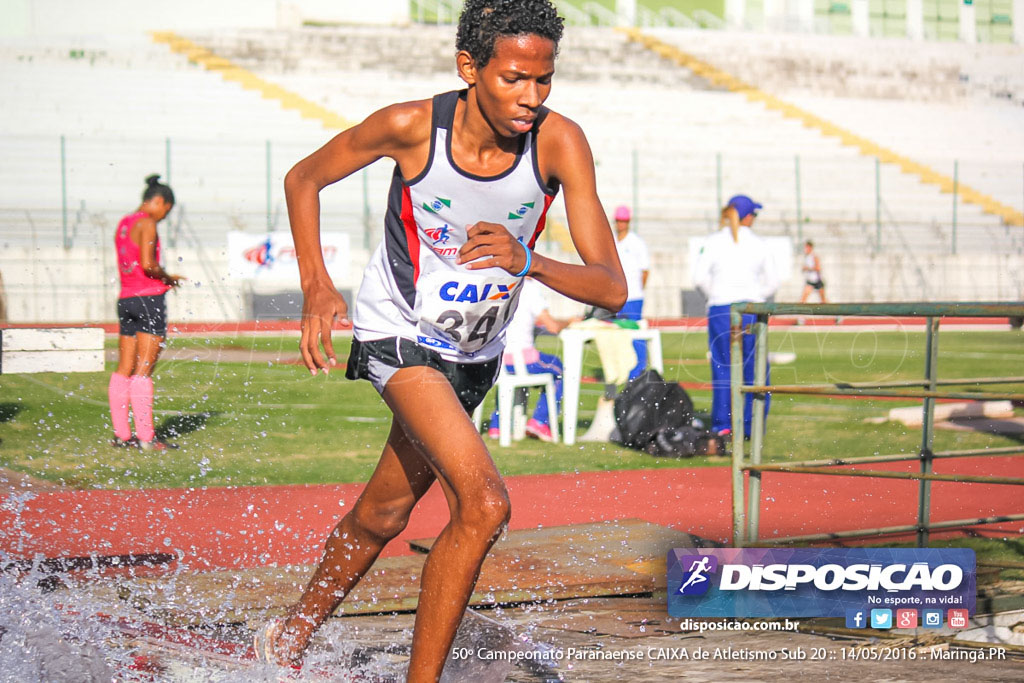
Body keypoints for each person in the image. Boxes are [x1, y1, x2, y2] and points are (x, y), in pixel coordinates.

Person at [258, 1, 627, 678]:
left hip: (472, 356)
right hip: (397, 331)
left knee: (386, 510)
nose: (531, 97)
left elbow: (610, 286)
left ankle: (288, 635)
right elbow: (302, 177)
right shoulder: (410, 128)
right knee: (484, 502)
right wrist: (316, 284)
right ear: (469, 67)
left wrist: (530, 260)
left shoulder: (558, 142)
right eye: (515, 78)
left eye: (544, 80)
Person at [108, 175, 185, 451]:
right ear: (160, 202)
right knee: (143, 370)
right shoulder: (148, 223)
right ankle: (147, 438)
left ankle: (122, 435)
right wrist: (168, 279)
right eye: (167, 210)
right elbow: (149, 265)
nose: (165, 216)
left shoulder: (124, 223)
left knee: (123, 368)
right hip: (148, 299)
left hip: (126, 298)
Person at [692, 194, 779, 439]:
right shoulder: (759, 244)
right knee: (755, 368)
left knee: (722, 367)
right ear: (748, 216)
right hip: (751, 310)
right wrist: (754, 296)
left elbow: (699, 278)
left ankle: (723, 426)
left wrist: (717, 295)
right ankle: (752, 426)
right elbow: (772, 282)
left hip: (721, 310)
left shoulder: (712, 242)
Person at [486, 277, 577, 442]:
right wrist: (571, 320)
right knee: (558, 368)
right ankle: (540, 422)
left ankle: (497, 425)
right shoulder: (528, 288)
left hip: (496, 358)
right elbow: (553, 326)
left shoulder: (496, 283)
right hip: (521, 358)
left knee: (508, 378)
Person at [611, 205, 650, 380]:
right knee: (619, 336)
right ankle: (624, 371)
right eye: (619, 221)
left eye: (624, 221)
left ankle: (639, 371)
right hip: (616, 296)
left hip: (633, 296)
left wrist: (638, 289)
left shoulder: (636, 242)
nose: (621, 224)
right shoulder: (612, 241)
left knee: (635, 334)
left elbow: (645, 270)